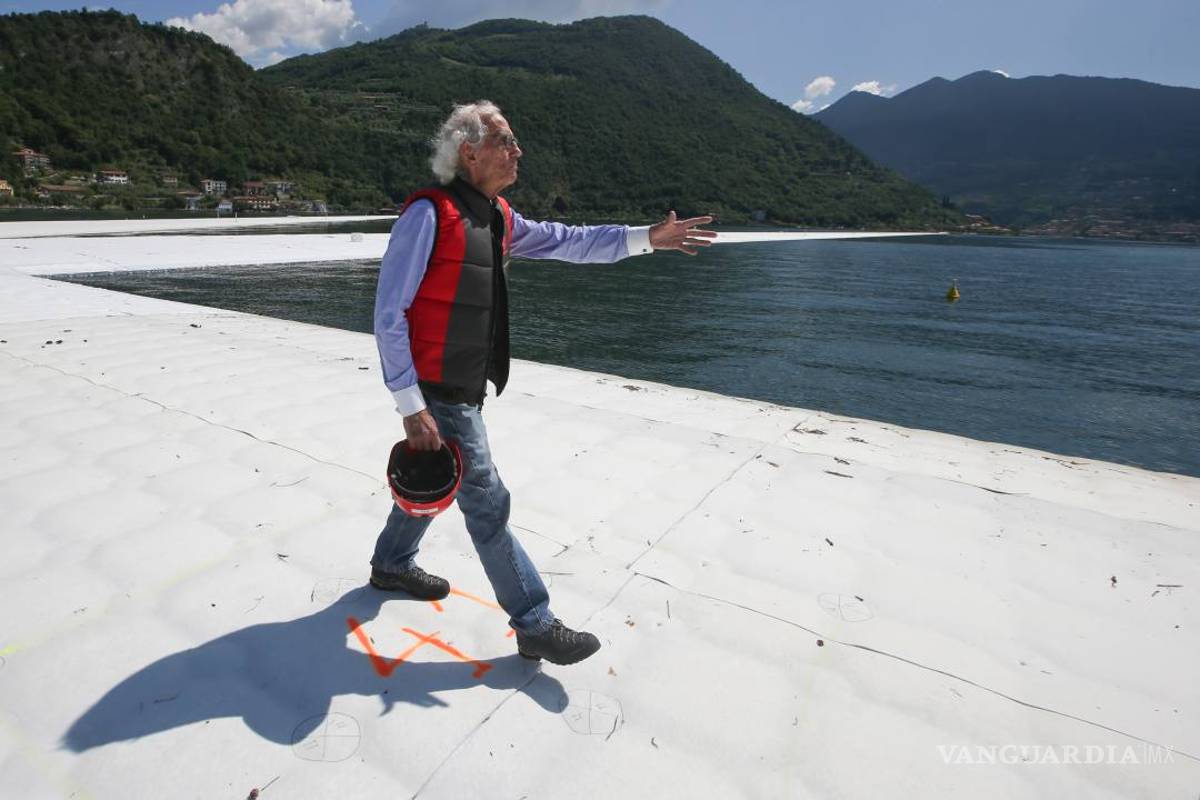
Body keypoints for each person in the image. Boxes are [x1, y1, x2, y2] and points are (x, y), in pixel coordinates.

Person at [371, 100, 715, 665]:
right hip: (439, 390)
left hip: (462, 385)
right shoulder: (428, 217)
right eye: (506, 140)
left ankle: (390, 564)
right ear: (470, 151)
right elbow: (389, 313)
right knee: (487, 504)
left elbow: (568, 240)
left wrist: (647, 239)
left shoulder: (498, 216)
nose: (517, 150)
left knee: (432, 472)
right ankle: (534, 621)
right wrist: (411, 406)